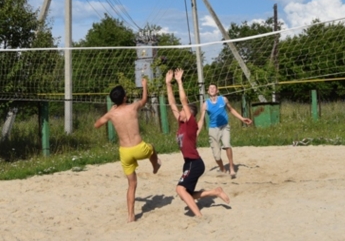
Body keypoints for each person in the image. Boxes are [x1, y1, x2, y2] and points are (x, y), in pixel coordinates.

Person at [94, 77, 161, 222]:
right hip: (139, 148)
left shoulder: (112, 113)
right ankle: (155, 165)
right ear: (125, 97)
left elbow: (97, 124)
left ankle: (131, 216)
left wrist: (110, 113)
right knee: (152, 148)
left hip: (125, 152)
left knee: (131, 185)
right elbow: (144, 100)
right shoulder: (133, 107)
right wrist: (144, 86)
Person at [166, 69, 229, 217]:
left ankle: (200, 217)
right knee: (186, 194)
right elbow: (173, 104)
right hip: (188, 163)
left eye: (183, 111)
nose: (179, 112)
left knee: (180, 189)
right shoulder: (181, 123)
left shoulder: (190, 124)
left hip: (195, 163)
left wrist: (180, 82)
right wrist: (168, 84)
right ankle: (215, 192)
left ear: (189, 114)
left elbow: (183, 101)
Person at [197, 83, 252, 178]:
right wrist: (196, 133)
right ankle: (222, 169)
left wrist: (242, 118)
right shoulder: (205, 104)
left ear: (217, 90)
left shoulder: (223, 99)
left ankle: (231, 167)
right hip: (213, 129)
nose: (212, 89)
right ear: (208, 91)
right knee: (217, 156)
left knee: (227, 145)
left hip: (224, 126)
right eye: (210, 88)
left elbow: (231, 110)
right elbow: (201, 120)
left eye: (214, 88)